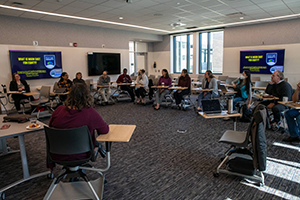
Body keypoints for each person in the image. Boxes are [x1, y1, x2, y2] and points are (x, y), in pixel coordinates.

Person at [48, 83, 109, 169]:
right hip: (82, 154)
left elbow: (50, 128)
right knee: (96, 142)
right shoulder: (90, 113)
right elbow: (104, 130)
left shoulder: (58, 110)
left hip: (57, 154)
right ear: (87, 96)